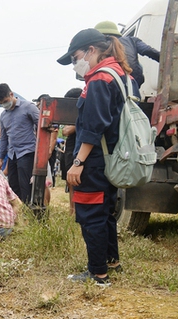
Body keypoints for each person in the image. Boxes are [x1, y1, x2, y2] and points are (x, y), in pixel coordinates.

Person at [57, 28, 136, 286]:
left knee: (91, 214)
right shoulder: (120, 73)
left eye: (74, 57)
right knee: (105, 212)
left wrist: (77, 163)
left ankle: (98, 274)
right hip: (111, 156)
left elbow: (93, 126)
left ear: (91, 51)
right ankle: (111, 260)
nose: (74, 65)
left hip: (95, 160)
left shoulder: (100, 79)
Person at [0, 83, 40, 204]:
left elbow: (42, 125)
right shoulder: (3, 115)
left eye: (5, 101)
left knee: (26, 185)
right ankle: (18, 212)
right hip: (12, 154)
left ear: (11, 94)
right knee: (13, 185)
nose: (4, 105)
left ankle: (30, 212)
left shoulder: (28, 107)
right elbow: (4, 138)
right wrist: (1, 158)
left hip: (27, 151)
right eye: (1, 103)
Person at [94, 20, 160, 87]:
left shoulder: (96, 46)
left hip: (109, 84)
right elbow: (149, 51)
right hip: (134, 83)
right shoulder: (131, 40)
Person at [59, 87, 83, 214]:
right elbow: (64, 131)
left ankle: (75, 210)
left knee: (75, 182)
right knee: (70, 182)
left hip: (77, 151)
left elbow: (67, 131)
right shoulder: (75, 116)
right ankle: (72, 209)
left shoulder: (83, 114)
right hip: (70, 151)